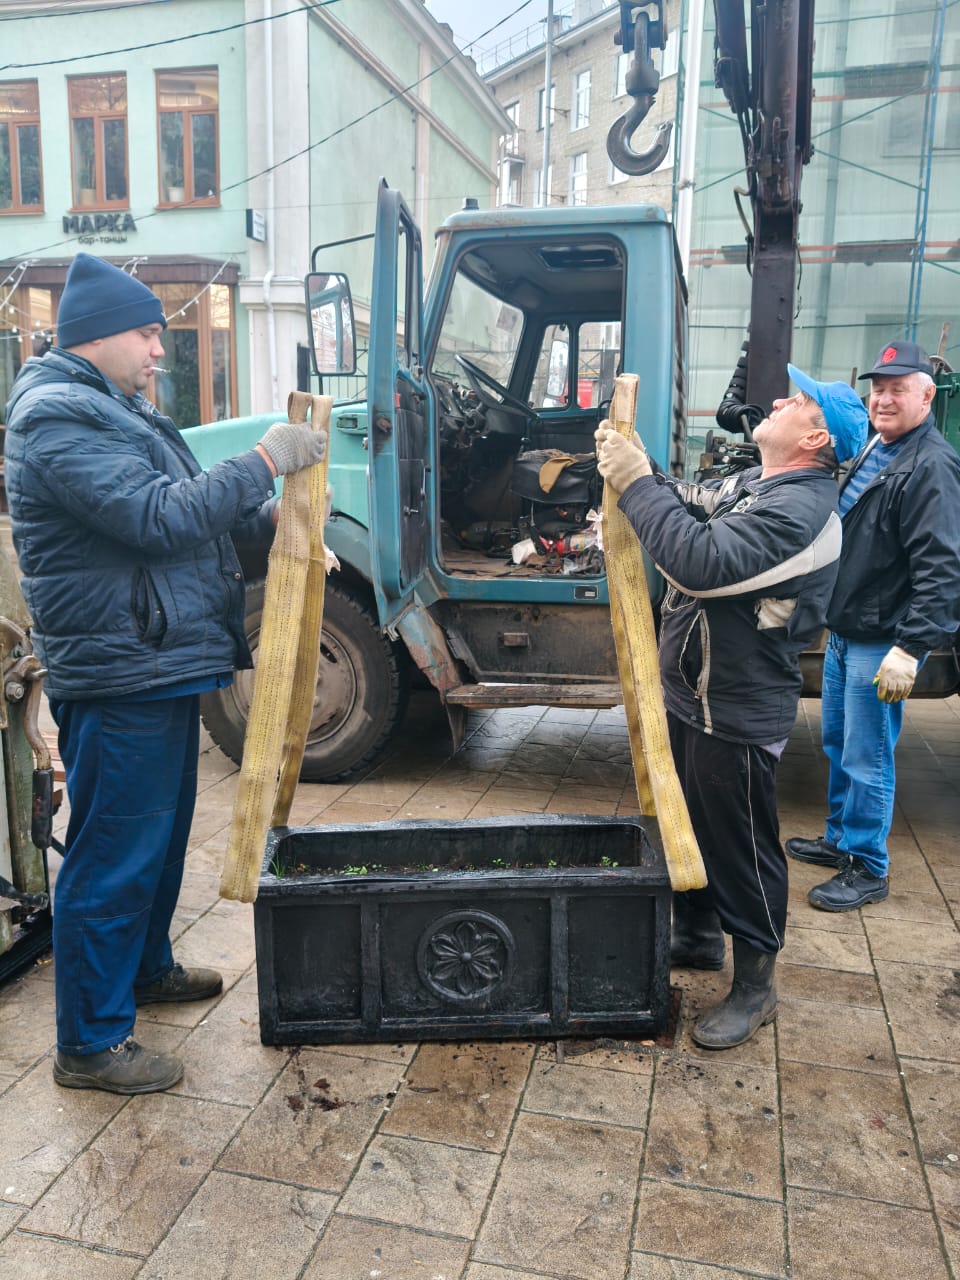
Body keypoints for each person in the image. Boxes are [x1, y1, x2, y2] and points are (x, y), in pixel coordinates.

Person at [4, 253, 327, 1094]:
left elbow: (192, 519)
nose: (160, 350)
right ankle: (92, 1042)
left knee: (155, 838)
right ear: (97, 336)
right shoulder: (54, 420)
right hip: (121, 674)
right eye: (148, 333)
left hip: (157, 663)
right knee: (113, 853)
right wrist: (263, 461)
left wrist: (281, 530)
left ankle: (144, 970)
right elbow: (156, 517)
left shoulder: (121, 409)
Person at [595, 367, 868, 1048]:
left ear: (816, 437)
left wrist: (634, 483)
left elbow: (698, 562)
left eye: (798, 401)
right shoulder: (755, 483)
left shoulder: (802, 512)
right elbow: (686, 501)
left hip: (740, 710)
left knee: (742, 847)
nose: (778, 401)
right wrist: (638, 469)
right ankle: (695, 936)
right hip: (695, 694)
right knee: (685, 820)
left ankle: (756, 985)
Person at [785, 340, 960, 910]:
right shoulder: (877, 448)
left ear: (926, 394)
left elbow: (940, 565)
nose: (884, 399)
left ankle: (867, 866)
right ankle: (840, 840)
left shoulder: (930, 465)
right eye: (878, 388)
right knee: (838, 743)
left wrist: (910, 649)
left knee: (869, 755)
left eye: (898, 388)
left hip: (881, 640)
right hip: (848, 630)